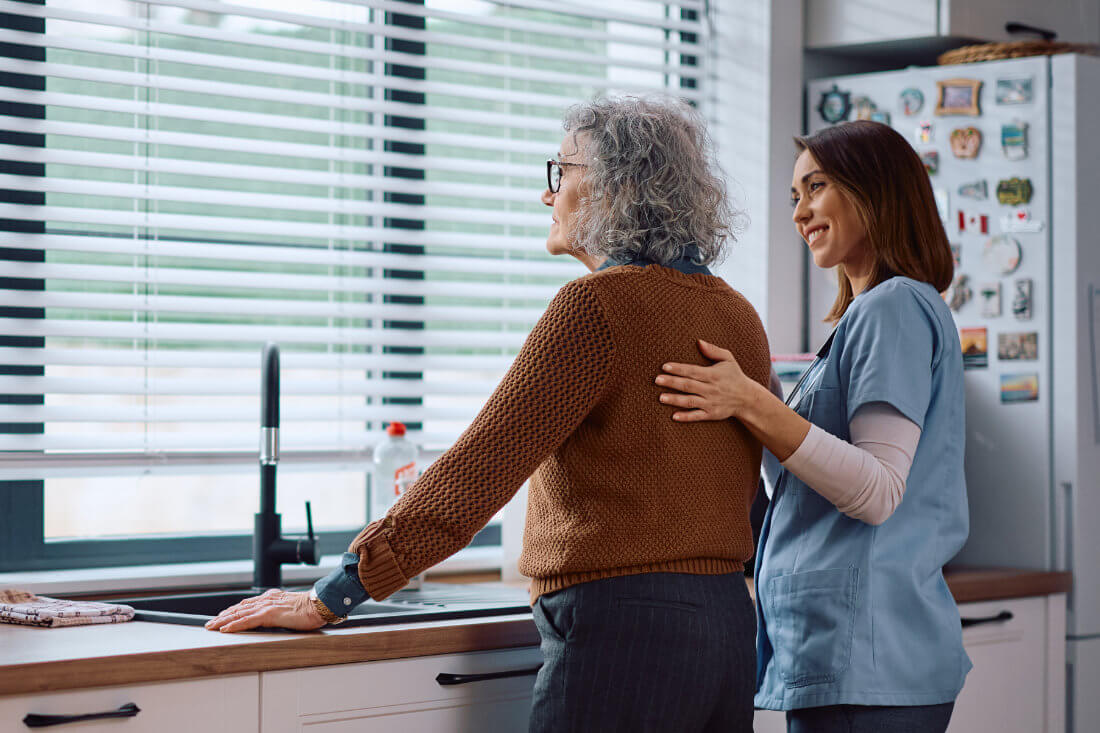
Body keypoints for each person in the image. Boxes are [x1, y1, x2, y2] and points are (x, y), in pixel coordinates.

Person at [208, 95, 773, 733]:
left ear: (615, 188)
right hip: (726, 627)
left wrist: (333, 595)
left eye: (563, 172)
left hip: (621, 631)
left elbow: (473, 476)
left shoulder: (594, 308)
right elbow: (747, 490)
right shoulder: (737, 315)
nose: (547, 195)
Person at [656, 120, 968, 733]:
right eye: (794, 198)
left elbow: (876, 491)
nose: (800, 213)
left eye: (815, 187)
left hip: (871, 658)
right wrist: (760, 397)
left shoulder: (894, 306)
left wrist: (753, 403)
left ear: (873, 190)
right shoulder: (866, 319)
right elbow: (807, 482)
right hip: (855, 656)